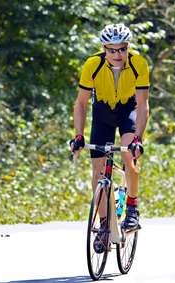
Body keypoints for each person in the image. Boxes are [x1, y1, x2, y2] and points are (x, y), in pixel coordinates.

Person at [70, 23, 150, 252]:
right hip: (103, 113)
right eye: (112, 50)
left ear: (127, 48)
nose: (117, 55)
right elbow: (81, 103)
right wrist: (78, 135)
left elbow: (143, 105)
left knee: (128, 156)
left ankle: (132, 208)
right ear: (104, 49)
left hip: (128, 111)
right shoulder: (92, 64)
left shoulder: (138, 64)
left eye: (122, 49)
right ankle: (105, 226)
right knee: (97, 173)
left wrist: (138, 138)